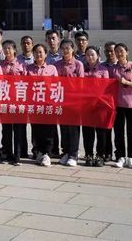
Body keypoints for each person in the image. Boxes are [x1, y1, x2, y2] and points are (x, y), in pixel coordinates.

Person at [110, 43, 132, 169]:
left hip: (131, 105)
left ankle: (131, 158)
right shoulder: (113, 69)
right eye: (117, 51)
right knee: (118, 132)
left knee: (131, 133)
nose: (119, 54)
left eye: (121, 51)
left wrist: (126, 82)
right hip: (117, 105)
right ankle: (120, 157)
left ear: (127, 52)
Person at [26, 43, 58, 166]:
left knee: (48, 130)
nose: (38, 54)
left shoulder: (52, 69)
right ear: (33, 54)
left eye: (41, 52)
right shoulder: (28, 69)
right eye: (36, 52)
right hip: (34, 104)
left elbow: (56, 85)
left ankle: (47, 154)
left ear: (45, 54)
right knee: (36, 129)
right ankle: (38, 152)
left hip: (48, 103)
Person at [55, 39, 84, 167]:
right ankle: (65, 152)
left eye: (68, 48)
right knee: (64, 128)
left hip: (74, 101)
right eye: (63, 48)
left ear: (73, 50)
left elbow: (82, 83)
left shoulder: (78, 64)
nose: (65, 50)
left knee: (73, 129)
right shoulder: (57, 65)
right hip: (61, 100)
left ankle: (73, 154)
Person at [82, 46, 110, 167]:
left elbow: (107, 88)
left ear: (98, 56)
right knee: (88, 132)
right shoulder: (82, 69)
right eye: (88, 55)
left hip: (100, 105)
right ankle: (88, 154)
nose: (90, 57)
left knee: (101, 132)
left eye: (92, 55)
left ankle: (100, 155)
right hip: (86, 105)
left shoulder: (103, 70)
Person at [0, 40, 27, 165]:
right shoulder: (0, 65)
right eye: (4, 48)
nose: (7, 50)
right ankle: (6, 153)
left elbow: (27, 82)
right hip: (5, 100)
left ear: (15, 50)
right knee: (6, 130)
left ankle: (17, 155)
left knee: (18, 129)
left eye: (9, 48)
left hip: (18, 101)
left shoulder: (21, 64)